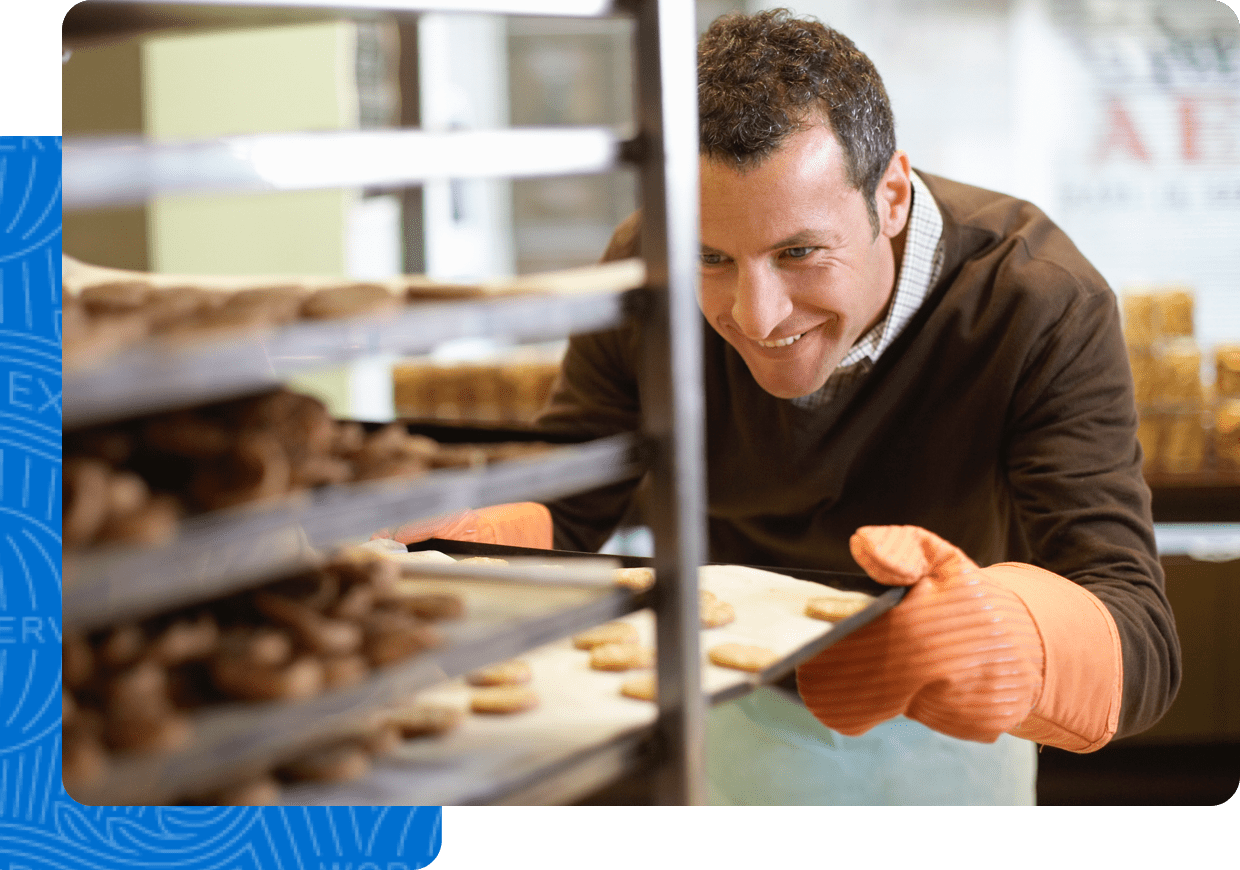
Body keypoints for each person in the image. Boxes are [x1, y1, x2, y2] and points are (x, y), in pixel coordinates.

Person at [385, 9, 1180, 804]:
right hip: (731, 706)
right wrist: (457, 532)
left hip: (949, 733)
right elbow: (575, 497)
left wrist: (1002, 641)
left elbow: (1140, 633)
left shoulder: (1037, 300)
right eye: (712, 257)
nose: (755, 316)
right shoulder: (645, 264)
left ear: (892, 196)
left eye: (800, 253)